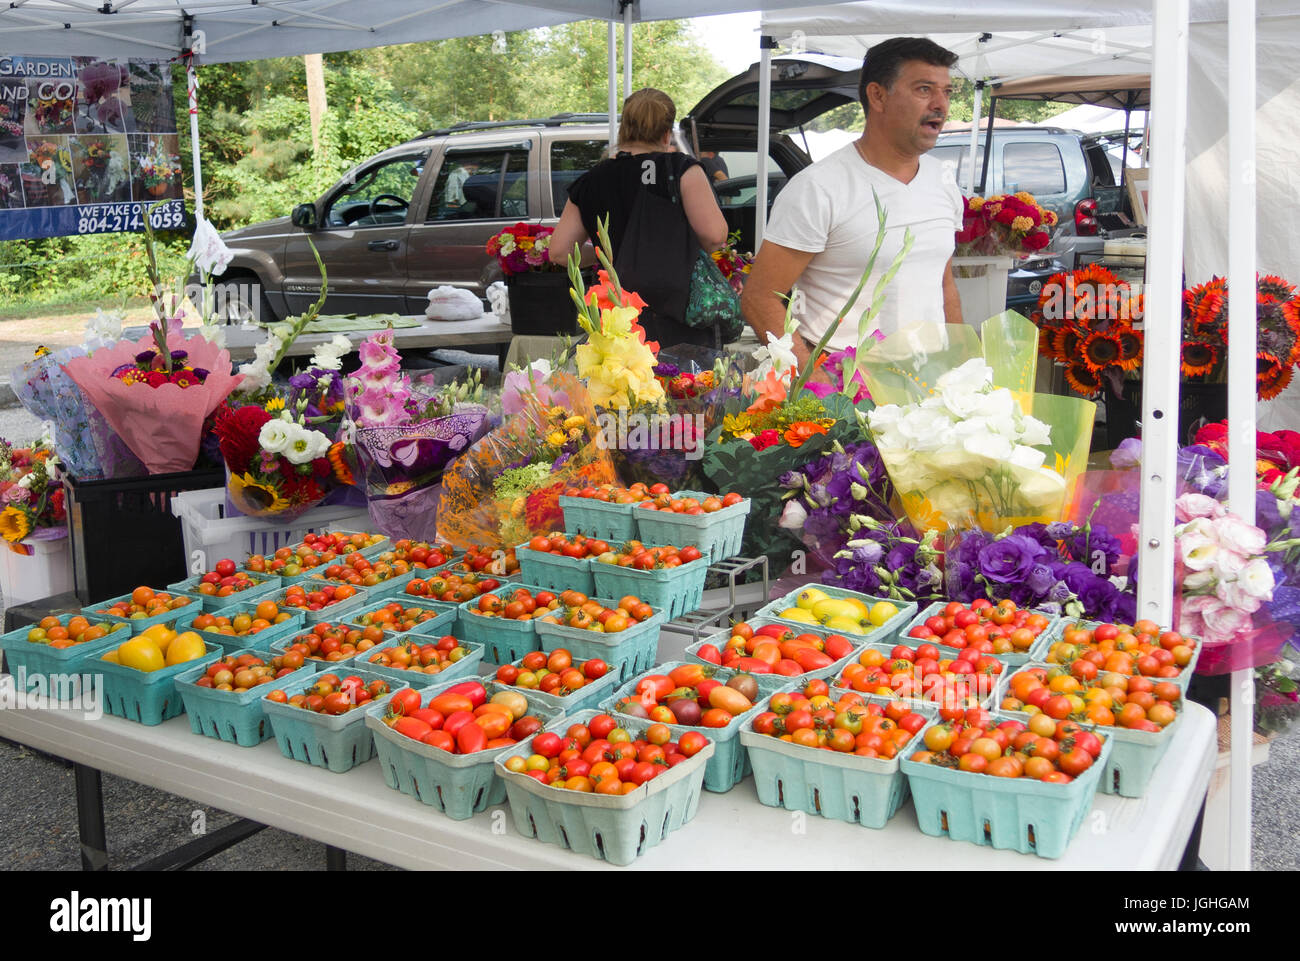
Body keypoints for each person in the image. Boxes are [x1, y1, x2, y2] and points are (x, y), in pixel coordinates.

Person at [741, 37, 965, 373]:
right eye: (924, 89)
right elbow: (760, 299)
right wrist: (817, 387)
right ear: (877, 95)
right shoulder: (818, 187)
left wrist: (962, 366)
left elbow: (943, 283)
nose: (941, 105)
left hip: (929, 379)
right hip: (847, 382)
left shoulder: (942, 180)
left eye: (946, 92)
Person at [548, 88, 729, 348]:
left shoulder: (593, 178)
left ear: (624, 130)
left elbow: (559, 252)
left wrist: (611, 258)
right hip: (679, 314)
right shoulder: (681, 170)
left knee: (623, 384)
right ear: (667, 133)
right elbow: (714, 236)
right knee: (683, 386)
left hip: (618, 313)